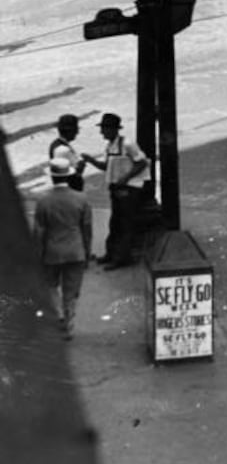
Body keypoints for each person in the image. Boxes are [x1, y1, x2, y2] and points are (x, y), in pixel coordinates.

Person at [33, 158, 93, 340]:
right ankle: (69, 323)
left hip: (52, 251)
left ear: (52, 177)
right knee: (72, 290)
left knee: (51, 285)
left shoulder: (43, 201)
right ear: (68, 176)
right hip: (76, 250)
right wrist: (87, 252)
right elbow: (87, 230)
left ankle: (58, 314)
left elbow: (39, 231)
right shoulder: (81, 199)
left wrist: (37, 253)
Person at [80, 112, 148, 269]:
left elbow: (142, 163)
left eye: (104, 129)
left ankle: (121, 258)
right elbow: (107, 167)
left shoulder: (128, 144)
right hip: (117, 188)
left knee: (124, 223)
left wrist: (125, 178)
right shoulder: (110, 146)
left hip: (129, 190)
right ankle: (111, 254)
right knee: (115, 222)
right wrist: (91, 161)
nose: (101, 132)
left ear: (113, 129)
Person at [49, 113, 88, 191]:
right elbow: (62, 176)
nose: (77, 133)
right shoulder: (62, 149)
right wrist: (80, 167)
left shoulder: (59, 144)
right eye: (76, 130)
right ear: (69, 131)